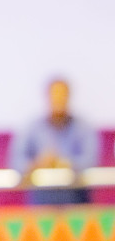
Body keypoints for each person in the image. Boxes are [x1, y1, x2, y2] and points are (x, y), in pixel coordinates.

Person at [9, 77, 98, 206]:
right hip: (41, 206)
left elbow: (91, 160)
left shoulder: (83, 127)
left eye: (62, 94)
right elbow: (16, 162)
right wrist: (37, 164)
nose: (58, 99)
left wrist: (66, 164)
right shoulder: (32, 128)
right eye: (55, 94)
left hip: (77, 205)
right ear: (47, 96)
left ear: (69, 96)